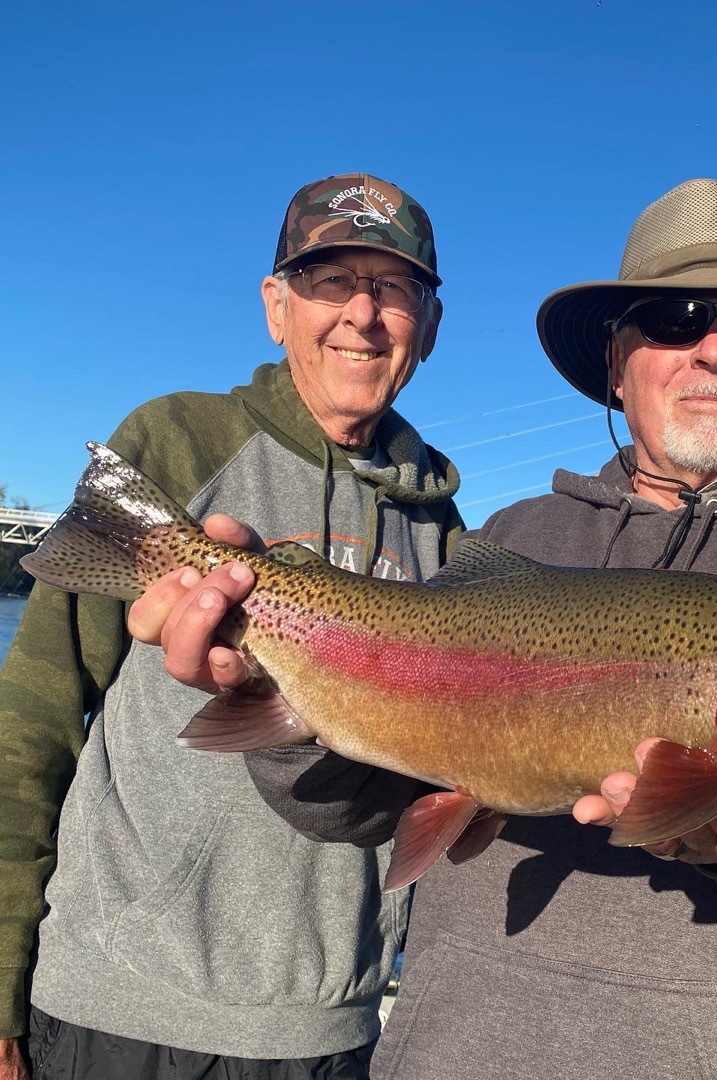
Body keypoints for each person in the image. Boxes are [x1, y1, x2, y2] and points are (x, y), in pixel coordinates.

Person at [125, 179, 717, 1080]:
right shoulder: (511, 537)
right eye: (677, 317)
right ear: (617, 360)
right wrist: (270, 691)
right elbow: (359, 808)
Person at [0, 171, 463, 1080]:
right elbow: (33, 723)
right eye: (332, 280)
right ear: (276, 305)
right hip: (118, 1006)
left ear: (431, 326)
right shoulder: (177, 440)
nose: (362, 315)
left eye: (394, 289)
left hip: (332, 1030)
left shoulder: (446, 528)